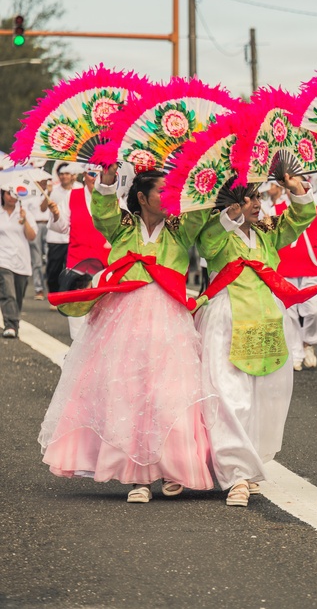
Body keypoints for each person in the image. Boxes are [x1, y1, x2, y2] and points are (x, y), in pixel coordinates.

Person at [38, 165, 216, 503]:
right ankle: (139, 476)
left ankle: (173, 467)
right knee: (129, 391)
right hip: (125, 318)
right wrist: (106, 180)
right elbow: (103, 212)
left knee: (170, 392)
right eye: (161, 191)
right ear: (140, 197)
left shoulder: (178, 229)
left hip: (168, 319)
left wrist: (202, 175)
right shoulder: (124, 228)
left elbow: (198, 213)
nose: (168, 197)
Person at [195, 175, 317, 507]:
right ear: (228, 203)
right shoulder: (216, 231)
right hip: (228, 319)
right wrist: (227, 219)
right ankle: (235, 474)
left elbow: (300, 219)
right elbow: (205, 246)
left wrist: (294, 187)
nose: (255, 203)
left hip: (266, 319)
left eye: (256, 197)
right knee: (230, 398)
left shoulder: (267, 233)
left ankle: (248, 467)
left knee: (265, 400)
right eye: (246, 198)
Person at [265, 182, 317, 370]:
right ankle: (295, 351)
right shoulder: (275, 210)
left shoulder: (316, 210)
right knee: (290, 315)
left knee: (314, 310)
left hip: (310, 268)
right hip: (285, 269)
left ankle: (307, 343)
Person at [47, 168, 112, 340]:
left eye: (101, 174)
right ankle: (78, 359)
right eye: (92, 174)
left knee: (103, 319)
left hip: (104, 268)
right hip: (77, 265)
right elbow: (61, 227)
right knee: (77, 320)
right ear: (84, 175)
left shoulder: (115, 198)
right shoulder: (72, 196)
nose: (96, 178)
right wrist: (55, 214)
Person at [0, 187, 38, 338]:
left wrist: (25, 221)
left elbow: (32, 236)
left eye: (15, 193)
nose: (12, 197)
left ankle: (14, 322)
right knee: (7, 292)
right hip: (3, 260)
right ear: (2, 194)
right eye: (9, 193)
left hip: (21, 261)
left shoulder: (25, 213)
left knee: (17, 296)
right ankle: (10, 325)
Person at [43, 163, 81, 302]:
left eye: (67, 173)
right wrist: (47, 193)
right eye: (62, 174)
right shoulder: (53, 190)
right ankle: (54, 294)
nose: (64, 176)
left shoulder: (80, 189)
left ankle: (70, 296)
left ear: (73, 175)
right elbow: (42, 209)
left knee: (74, 269)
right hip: (56, 237)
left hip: (74, 236)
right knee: (54, 269)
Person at [28, 181, 50, 300]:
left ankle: (48, 283)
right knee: (36, 261)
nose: (42, 183)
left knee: (49, 259)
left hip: (49, 226)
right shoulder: (30, 194)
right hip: (35, 226)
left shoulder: (52, 192)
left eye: (44, 181)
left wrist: (49, 193)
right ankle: (38, 288)